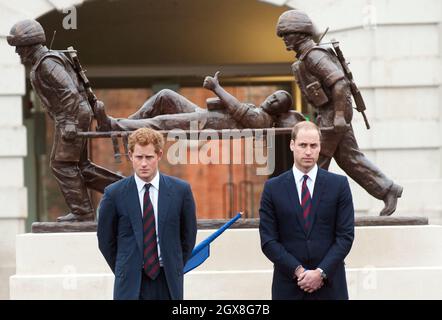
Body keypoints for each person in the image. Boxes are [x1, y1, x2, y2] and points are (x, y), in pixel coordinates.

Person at [276, 10, 403, 216]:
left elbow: (340, 83)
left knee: (313, 160)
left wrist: (339, 116)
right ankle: (388, 189)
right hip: (329, 113)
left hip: (332, 115)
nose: (284, 40)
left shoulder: (314, 56)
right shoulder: (306, 58)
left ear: (300, 33)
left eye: (287, 34)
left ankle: (303, 209)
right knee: (349, 159)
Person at [7, 19, 123, 222]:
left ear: (29, 45)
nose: (18, 52)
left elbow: (69, 92)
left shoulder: (47, 64)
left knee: (61, 165)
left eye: (19, 47)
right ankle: (127, 190)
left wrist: (69, 123)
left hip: (72, 117)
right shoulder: (45, 61)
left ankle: (82, 213)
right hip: (73, 116)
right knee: (80, 167)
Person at [97, 128, 197, 300]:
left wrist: (175, 266)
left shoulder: (181, 191)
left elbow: (188, 236)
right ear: (130, 155)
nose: (144, 163)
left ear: (159, 155)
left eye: (149, 157)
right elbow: (106, 240)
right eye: (139, 157)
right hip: (130, 282)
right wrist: (124, 268)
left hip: (168, 281)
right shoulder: (114, 194)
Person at [259, 121, 354, 300]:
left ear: (320, 147)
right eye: (303, 145)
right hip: (288, 287)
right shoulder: (272, 188)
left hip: (331, 287)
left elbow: (345, 236)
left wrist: (320, 273)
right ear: (292, 145)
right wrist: (298, 271)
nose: (308, 151)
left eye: (313, 145)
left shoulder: (339, 185)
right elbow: (268, 240)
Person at [94, 71, 304, 131]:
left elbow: (237, 109)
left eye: (277, 101)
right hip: (203, 114)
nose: (272, 98)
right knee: (165, 95)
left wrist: (216, 87)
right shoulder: (260, 112)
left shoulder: (262, 120)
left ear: (278, 112)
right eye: (274, 95)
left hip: (203, 124)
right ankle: (122, 125)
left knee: (161, 122)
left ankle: (113, 124)